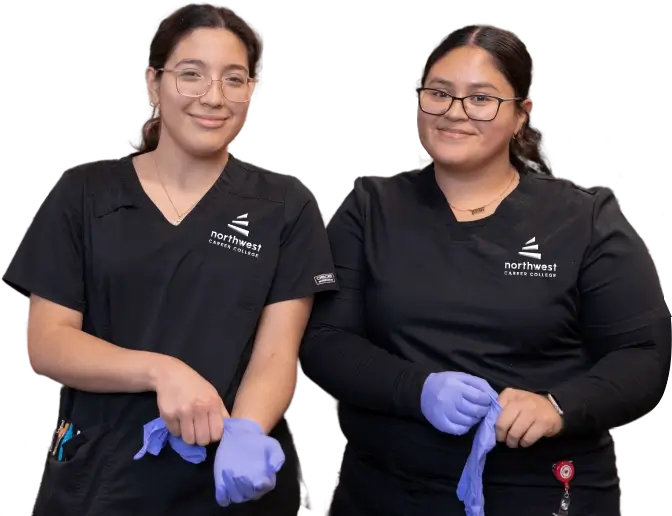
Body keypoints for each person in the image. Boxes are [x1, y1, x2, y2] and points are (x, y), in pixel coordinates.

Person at [300, 23, 667, 516]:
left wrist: (557, 406)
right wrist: (418, 389)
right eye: (439, 93)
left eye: (481, 98)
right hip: (386, 491)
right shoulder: (371, 207)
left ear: (521, 115)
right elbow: (325, 338)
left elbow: (645, 357)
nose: (454, 112)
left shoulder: (584, 219)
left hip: (539, 491)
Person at [6, 2, 337, 515]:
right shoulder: (86, 195)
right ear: (153, 82)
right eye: (191, 75)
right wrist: (163, 372)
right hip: (104, 475)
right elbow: (48, 344)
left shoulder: (285, 208)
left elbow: (278, 352)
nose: (213, 97)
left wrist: (246, 434)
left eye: (234, 79)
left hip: (228, 480)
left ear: (252, 91)